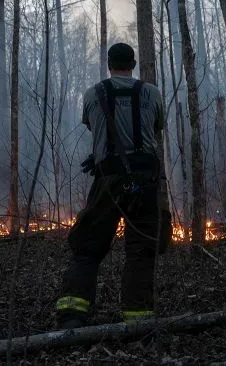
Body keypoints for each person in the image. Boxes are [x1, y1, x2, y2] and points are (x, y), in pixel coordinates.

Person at [55, 43, 171, 330]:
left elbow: (94, 128)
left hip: (108, 180)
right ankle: (138, 319)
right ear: (133, 63)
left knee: (87, 247)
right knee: (142, 250)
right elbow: (156, 129)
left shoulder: (93, 94)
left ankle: (72, 315)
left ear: (109, 64)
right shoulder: (152, 92)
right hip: (145, 182)